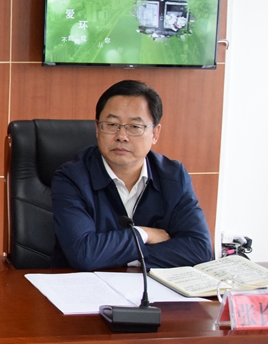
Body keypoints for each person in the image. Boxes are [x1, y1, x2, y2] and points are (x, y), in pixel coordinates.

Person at [52, 80, 212, 271]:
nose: (122, 136)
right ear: (97, 128)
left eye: (135, 127)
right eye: (112, 124)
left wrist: (122, 256)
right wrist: (143, 235)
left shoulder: (174, 177)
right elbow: (84, 254)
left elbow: (199, 249)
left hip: (151, 287)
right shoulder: (72, 178)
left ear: (155, 133)